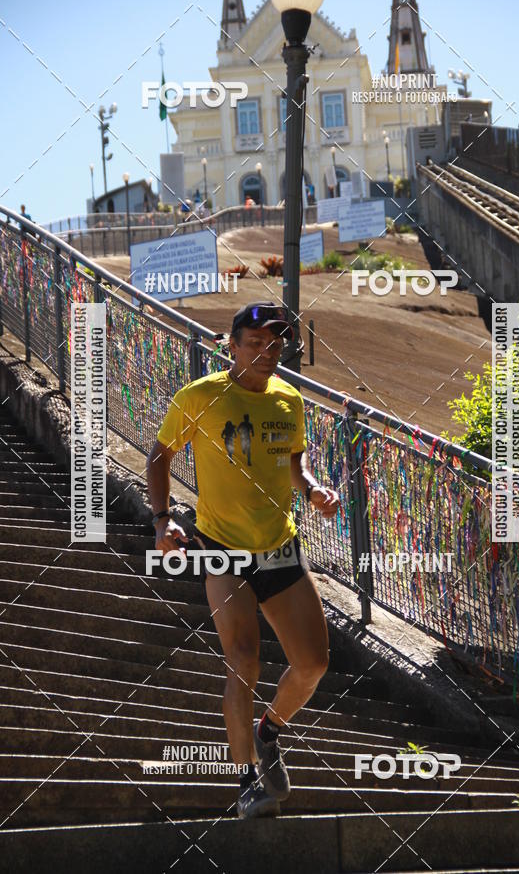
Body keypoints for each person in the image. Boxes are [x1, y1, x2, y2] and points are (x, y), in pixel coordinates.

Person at [146, 302, 340, 820]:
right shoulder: (201, 395)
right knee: (243, 657)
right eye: (254, 342)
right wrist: (162, 520)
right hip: (222, 548)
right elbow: (160, 455)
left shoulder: (289, 399)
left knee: (313, 663)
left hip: (279, 546)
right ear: (231, 346)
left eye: (274, 344)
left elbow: (293, 460)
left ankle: (267, 730)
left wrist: (312, 488)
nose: (265, 351)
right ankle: (247, 780)